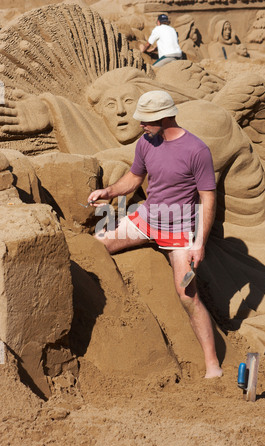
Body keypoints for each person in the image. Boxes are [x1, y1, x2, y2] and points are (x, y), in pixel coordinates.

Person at [88, 90, 223, 379]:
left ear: (165, 118)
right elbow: (135, 178)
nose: (140, 125)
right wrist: (109, 192)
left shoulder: (197, 150)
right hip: (146, 219)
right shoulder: (146, 142)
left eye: (146, 120)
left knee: (187, 295)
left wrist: (199, 243)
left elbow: (208, 199)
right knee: (96, 246)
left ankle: (212, 364)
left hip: (179, 229)